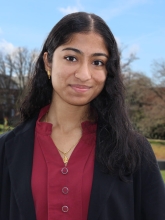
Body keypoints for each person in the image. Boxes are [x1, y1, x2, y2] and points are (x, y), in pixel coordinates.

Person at [0, 12, 165, 220]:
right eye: (71, 58)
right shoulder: (6, 149)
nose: (84, 74)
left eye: (97, 62)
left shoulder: (134, 151)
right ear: (48, 62)